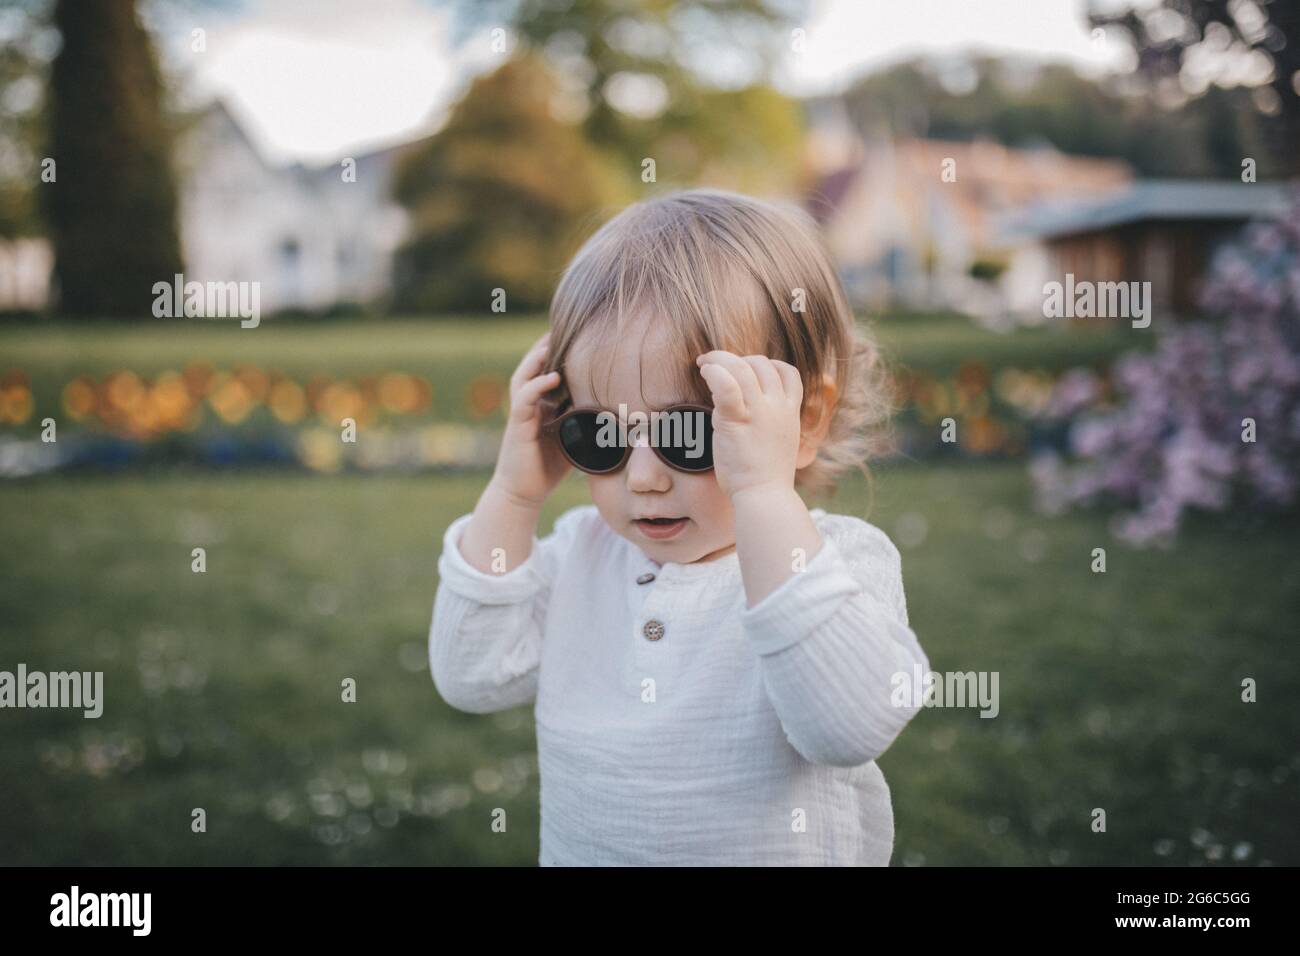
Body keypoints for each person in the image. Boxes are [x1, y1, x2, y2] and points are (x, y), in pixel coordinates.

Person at [429, 189, 930, 865]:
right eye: (598, 433)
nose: (642, 477)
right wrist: (514, 493)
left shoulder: (837, 565)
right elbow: (472, 673)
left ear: (803, 420)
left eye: (689, 432)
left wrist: (760, 493)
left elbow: (847, 726)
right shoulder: (582, 553)